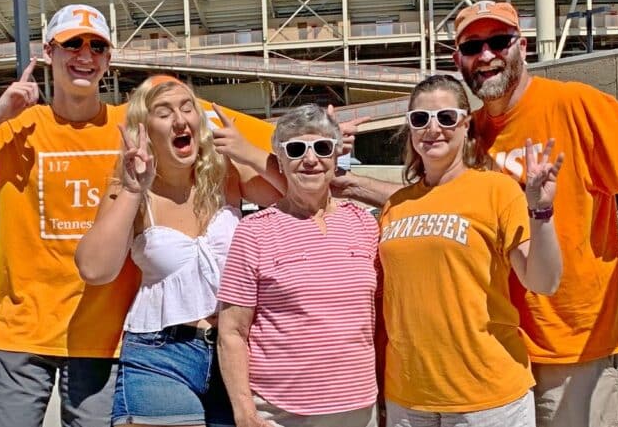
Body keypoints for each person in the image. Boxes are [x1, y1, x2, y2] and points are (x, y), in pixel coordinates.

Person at [334, 1, 618, 427]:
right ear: (458, 59)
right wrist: (347, 179)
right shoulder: (464, 131)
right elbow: (428, 202)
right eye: (473, 45)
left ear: (522, 46)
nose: (487, 54)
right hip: (497, 351)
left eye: (499, 41)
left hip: (574, 348)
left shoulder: (575, 104)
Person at [0, 4, 276, 427]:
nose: (85, 55)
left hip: (107, 337)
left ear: (108, 59)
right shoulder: (17, 130)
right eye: (72, 44)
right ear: (49, 52)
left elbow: (242, 136)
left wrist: (322, 135)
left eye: (97, 46)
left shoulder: (136, 123)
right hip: (23, 330)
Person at [75, 75, 282, 427]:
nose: (180, 119)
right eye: (164, 112)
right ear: (145, 129)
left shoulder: (225, 174)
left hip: (236, 354)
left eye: (188, 108)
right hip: (160, 354)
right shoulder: (126, 188)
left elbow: (297, 198)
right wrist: (132, 191)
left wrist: (246, 151)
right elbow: (94, 269)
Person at [379, 74, 562, 427]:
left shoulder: (496, 190)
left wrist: (541, 211)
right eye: (420, 119)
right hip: (408, 396)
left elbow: (544, 282)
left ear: (466, 124)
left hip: (487, 398)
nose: (433, 129)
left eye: (446, 117)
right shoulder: (395, 206)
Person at [217, 105, 380, 427]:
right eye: (296, 149)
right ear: (279, 161)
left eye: (322, 148)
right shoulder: (255, 231)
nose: (310, 159)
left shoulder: (364, 224)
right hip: (280, 412)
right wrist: (244, 411)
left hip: (360, 407)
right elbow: (232, 332)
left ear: (336, 157)